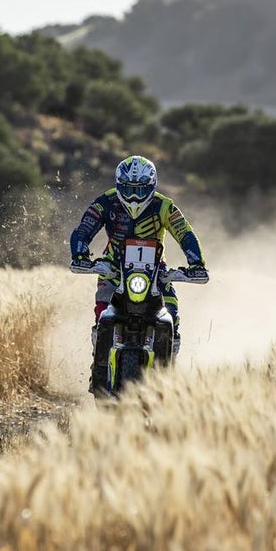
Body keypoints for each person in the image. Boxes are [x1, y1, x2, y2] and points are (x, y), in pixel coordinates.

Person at [69, 155, 208, 392]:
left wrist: (197, 265)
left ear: (151, 186)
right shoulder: (106, 201)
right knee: (101, 314)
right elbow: (84, 228)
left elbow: (185, 233)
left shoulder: (164, 206)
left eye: (140, 189)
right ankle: (99, 367)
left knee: (172, 315)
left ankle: (168, 375)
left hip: (156, 271)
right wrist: (80, 256)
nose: (134, 195)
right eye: (128, 189)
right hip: (112, 269)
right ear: (119, 184)